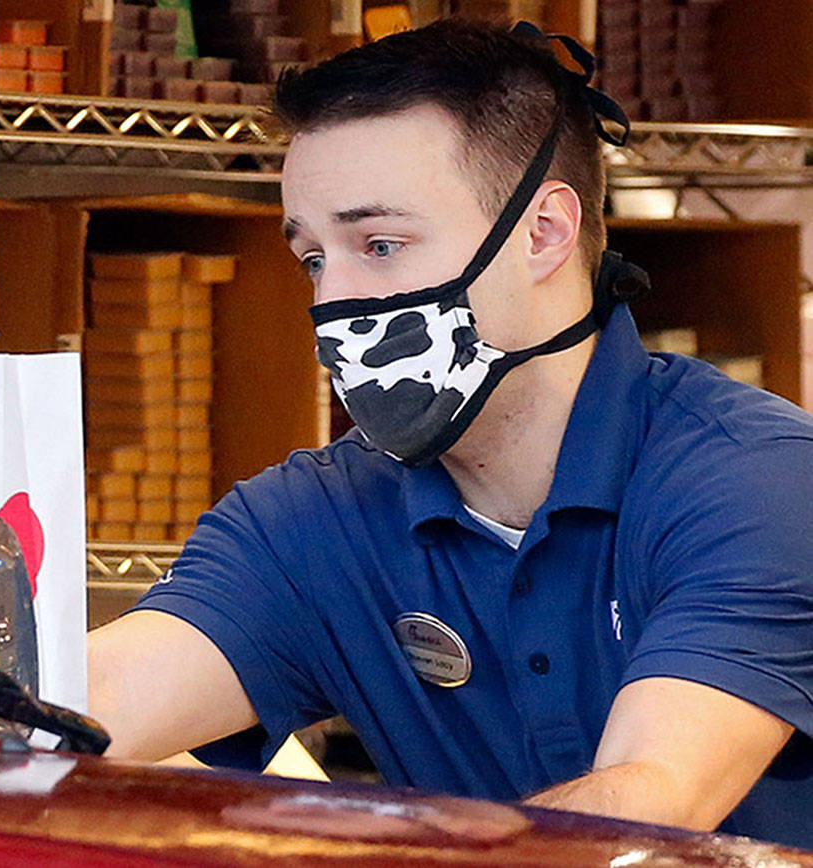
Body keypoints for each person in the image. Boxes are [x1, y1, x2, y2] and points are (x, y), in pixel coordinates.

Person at [87, 19, 813, 849]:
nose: (334, 302)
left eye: (381, 244)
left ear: (544, 232)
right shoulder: (314, 519)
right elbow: (79, 712)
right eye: (314, 258)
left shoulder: (758, 482)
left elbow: (645, 810)